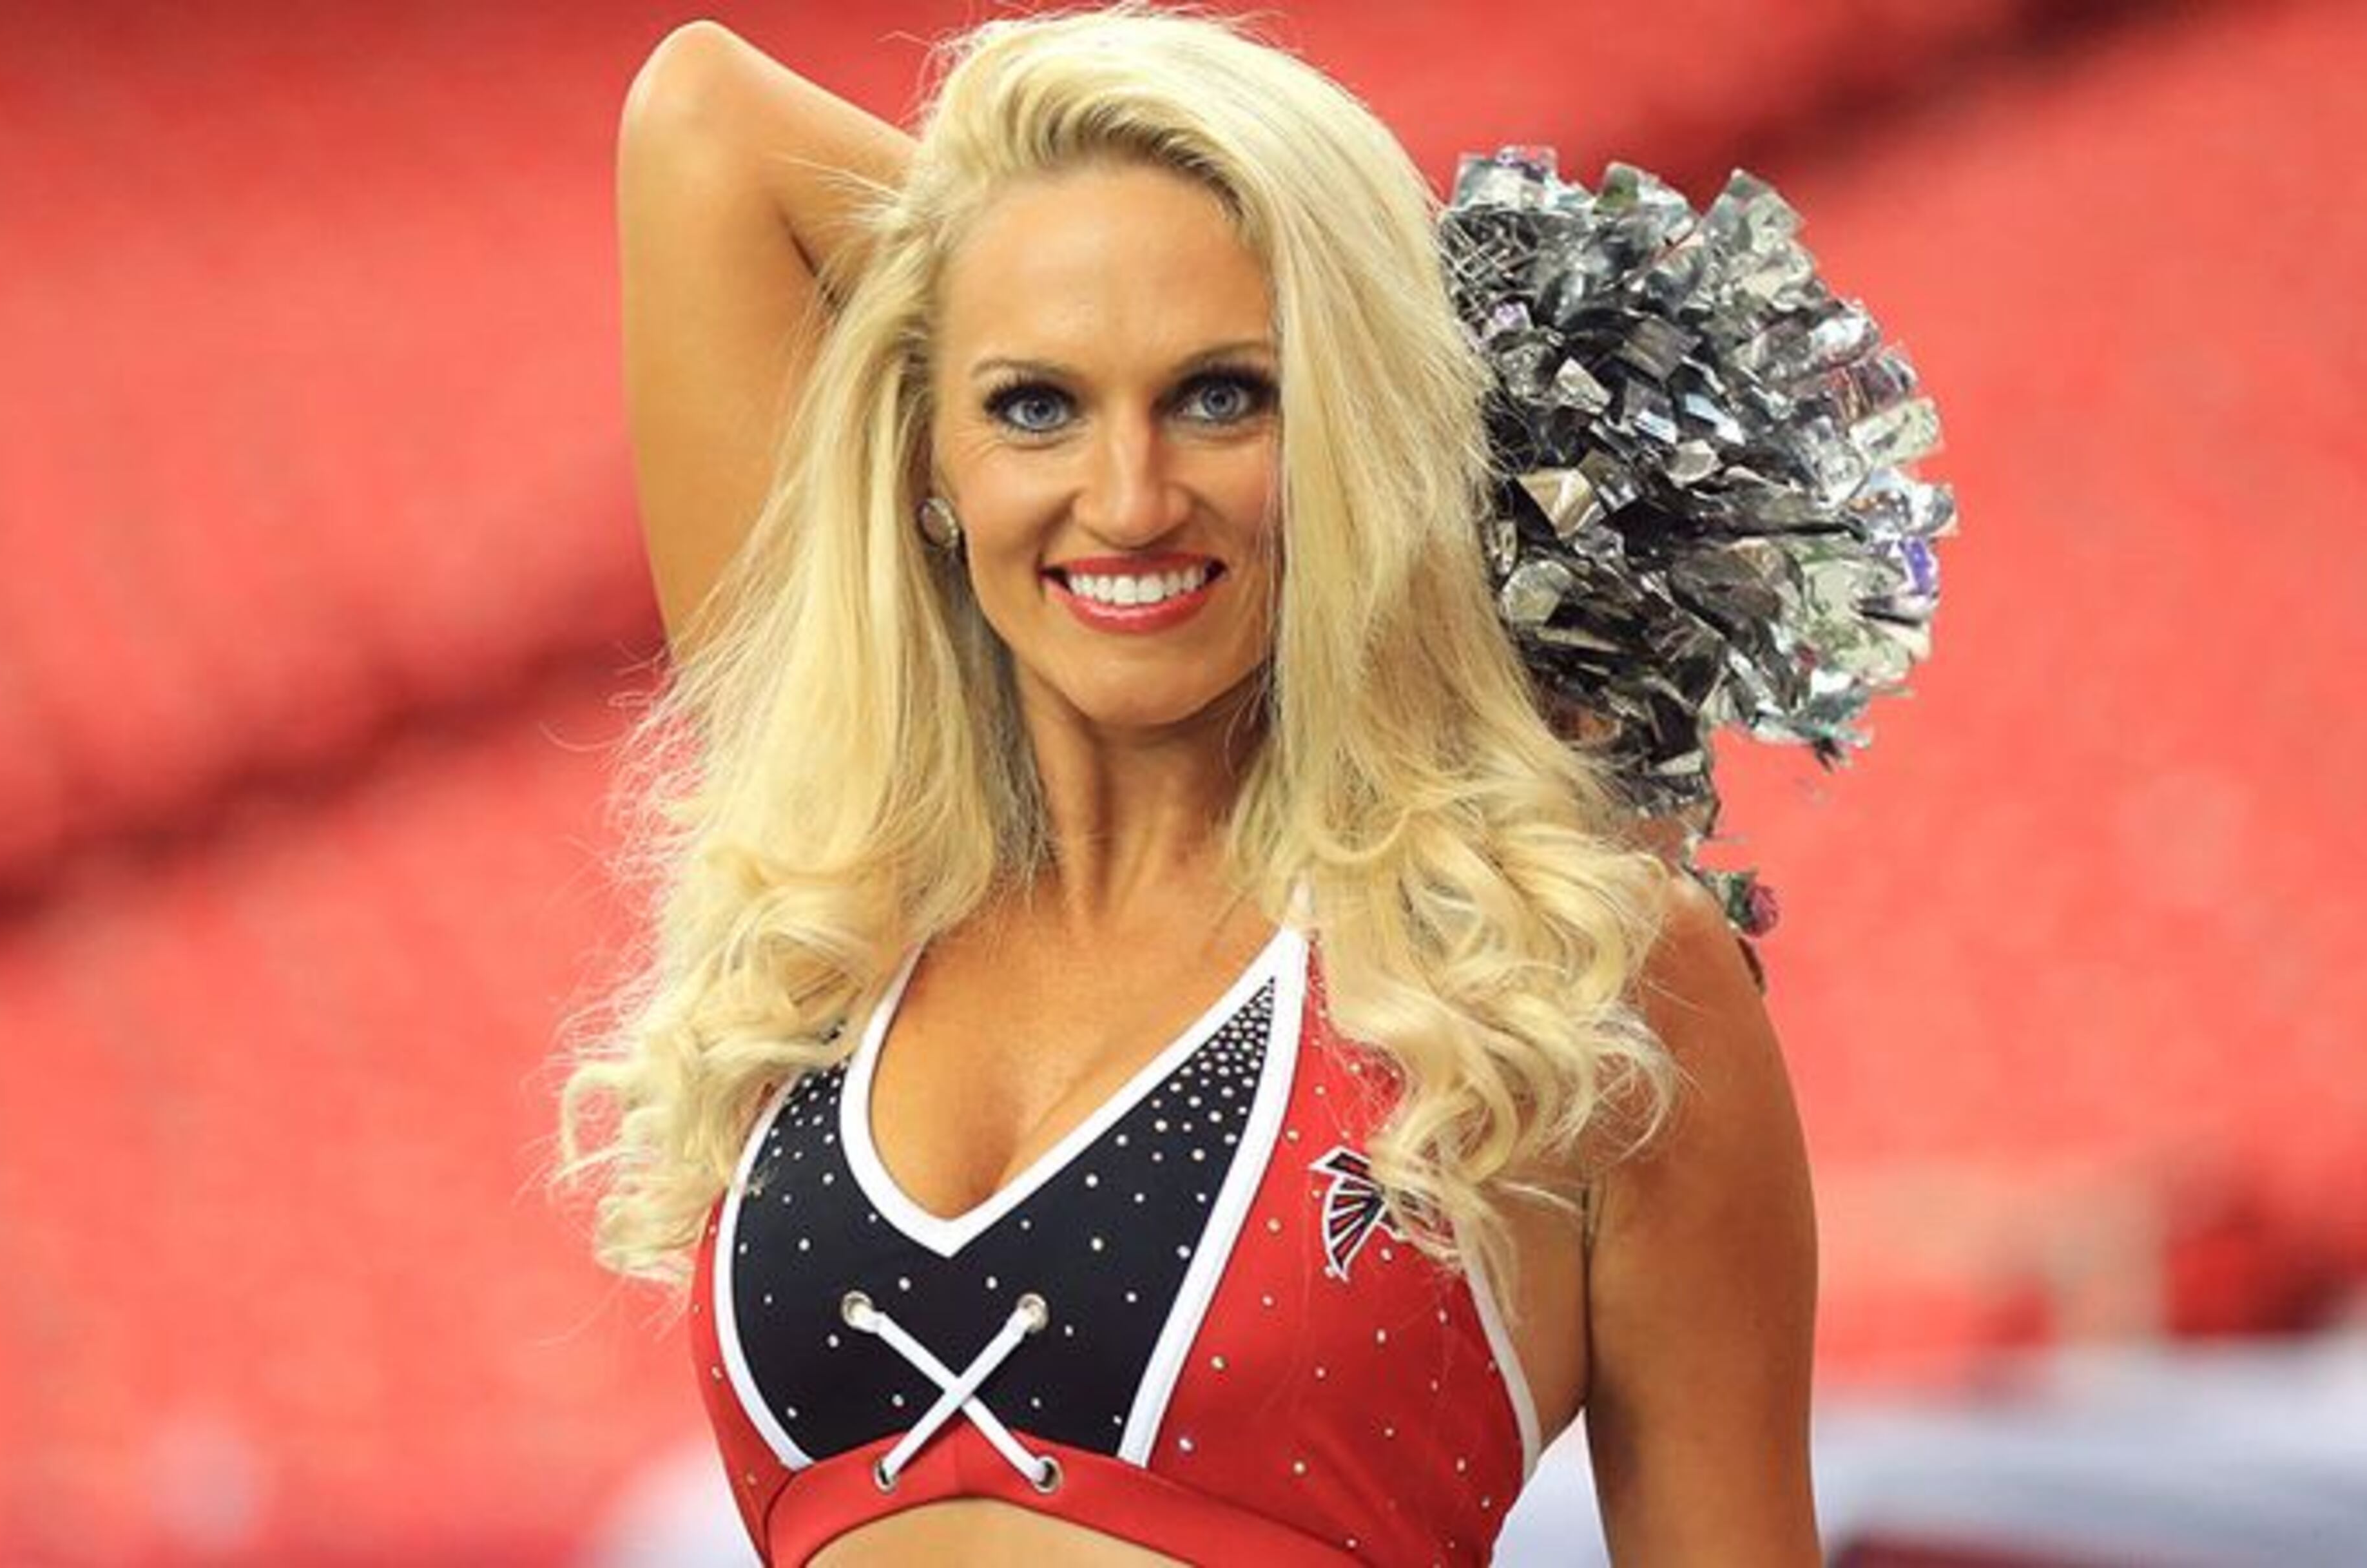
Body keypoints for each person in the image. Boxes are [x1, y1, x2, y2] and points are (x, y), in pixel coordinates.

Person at [556, 6, 1819, 1563]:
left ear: (1356, 429)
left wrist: (1325, 316)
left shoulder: (1575, 974)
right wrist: (1001, 243)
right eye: (1035, 405)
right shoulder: (858, 873)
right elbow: (700, 116)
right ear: (929, 453)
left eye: (1227, 394)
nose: (1130, 498)